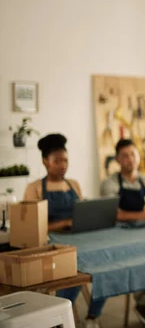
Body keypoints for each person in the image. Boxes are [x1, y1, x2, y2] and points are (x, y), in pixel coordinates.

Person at [23, 133, 107, 328]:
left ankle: (93, 316)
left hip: (79, 239)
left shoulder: (74, 185)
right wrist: (62, 224)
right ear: (45, 161)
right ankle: (59, 319)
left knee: (106, 264)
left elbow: (83, 214)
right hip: (52, 245)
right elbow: (30, 229)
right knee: (74, 266)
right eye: (57, 161)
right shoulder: (34, 188)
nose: (63, 165)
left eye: (66, 160)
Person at [99, 138, 145, 327]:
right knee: (142, 256)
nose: (130, 159)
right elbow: (113, 214)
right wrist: (143, 214)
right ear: (117, 160)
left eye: (133, 154)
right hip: (122, 235)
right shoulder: (109, 184)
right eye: (125, 156)